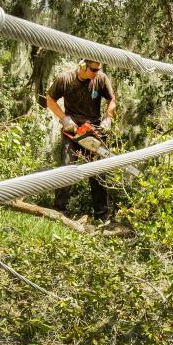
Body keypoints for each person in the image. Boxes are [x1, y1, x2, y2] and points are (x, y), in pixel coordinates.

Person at [45, 59, 117, 223]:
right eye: (93, 70)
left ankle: (102, 217)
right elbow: (50, 100)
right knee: (66, 169)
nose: (96, 73)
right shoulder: (65, 79)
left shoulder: (101, 79)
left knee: (99, 173)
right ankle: (59, 211)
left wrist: (108, 118)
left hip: (94, 131)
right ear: (83, 66)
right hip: (73, 132)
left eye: (98, 70)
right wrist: (64, 119)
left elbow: (112, 100)